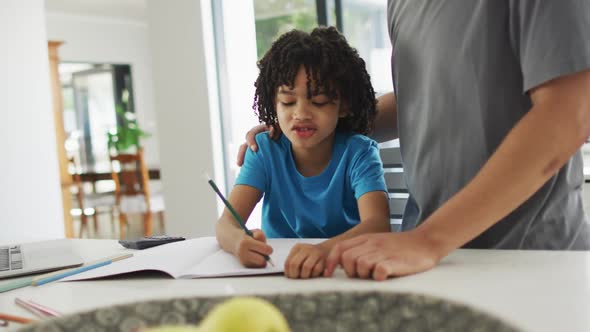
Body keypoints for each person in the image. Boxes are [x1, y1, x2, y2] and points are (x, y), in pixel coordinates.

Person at [239, 1, 590, 280]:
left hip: (526, 258)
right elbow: (421, 99)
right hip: (427, 262)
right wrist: (312, 124)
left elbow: (569, 113)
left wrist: (429, 240)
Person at [216, 26, 391, 279]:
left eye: (318, 101)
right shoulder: (264, 150)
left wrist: (325, 250)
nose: (300, 114)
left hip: (343, 273)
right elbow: (226, 224)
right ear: (273, 103)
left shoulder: (359, 153)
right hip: (280, 274)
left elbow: (377, 225)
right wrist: (238, 243)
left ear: (343, 106)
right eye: (287, 102)